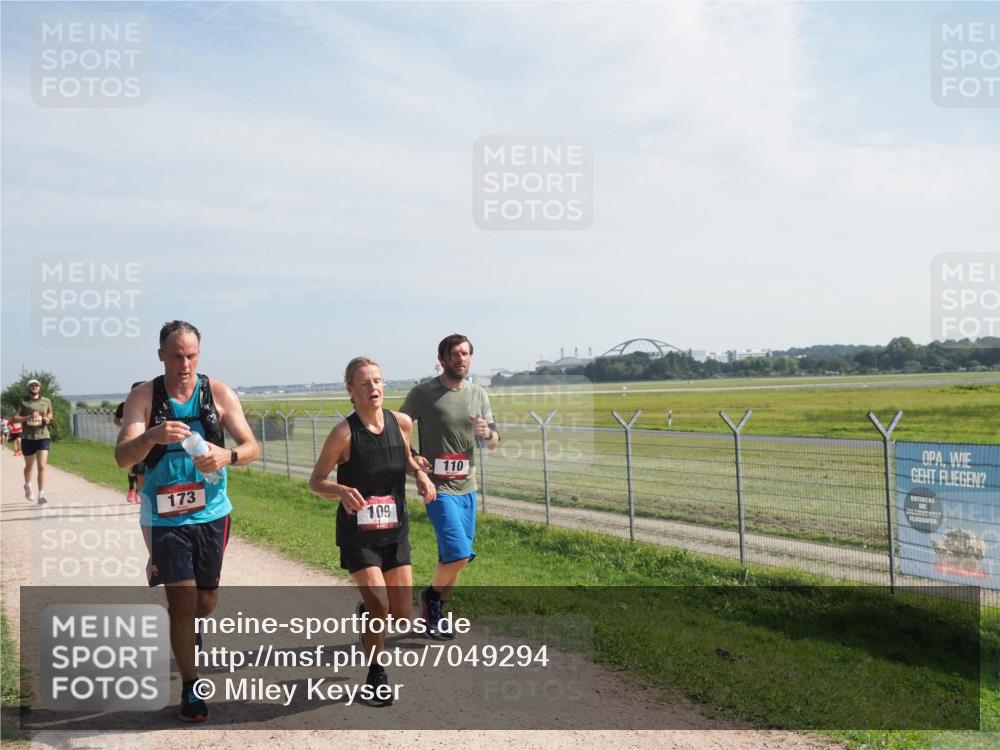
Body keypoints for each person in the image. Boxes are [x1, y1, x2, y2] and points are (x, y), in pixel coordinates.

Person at [115, 320, 259, 722]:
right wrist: (152, 436)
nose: (185, 364)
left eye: (192, 355)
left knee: (204, 602)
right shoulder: (144, 397)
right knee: (181, 601)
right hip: (163, 517)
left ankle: (190, 627)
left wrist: (227, 456)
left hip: (212, 512)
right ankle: (191, 687)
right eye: (177, 356)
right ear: (161, 355)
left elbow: (252, 446)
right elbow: (123, 457)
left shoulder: (219, 393)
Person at [309, 356, 435, 704]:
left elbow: (405, 458)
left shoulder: (401, 422)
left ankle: (367, 614)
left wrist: (420, 474)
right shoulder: (343, 434)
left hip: (394, 530)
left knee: (401, 615)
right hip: (358, 535)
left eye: (377, 380)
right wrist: (339, 490)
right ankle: (376, 674)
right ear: (351, 390)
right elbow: (316, 480)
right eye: (364, 383)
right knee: (381, 604)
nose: (373, 387)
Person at [400, 334, 500, 639]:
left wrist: (486, 433)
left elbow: (494, 441)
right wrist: (414, 459)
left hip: (468, 487)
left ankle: (437, 611)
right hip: (438, 487)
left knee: (455, 558)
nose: (461, 359)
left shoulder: (478, 394)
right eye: (455, 354)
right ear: (442, 359)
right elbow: (400, 428)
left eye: (465, 354)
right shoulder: (423, 393)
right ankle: (430, 597)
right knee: (458, 553)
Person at [14, 379, 54, 504]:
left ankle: (41, 494)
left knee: (42, 466)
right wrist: (28, 417)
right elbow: (15, 418)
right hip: (28, 437)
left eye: (36, 385)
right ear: (28, 388)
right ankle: (27, 486)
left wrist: (47, 419)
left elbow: (50, 413)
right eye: (32, 385)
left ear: (39, 388)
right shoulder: (22, 401)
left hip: (43, 436)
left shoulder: (46, 401)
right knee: (29, 465)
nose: (34, 387)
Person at [114, 381, 146, 504]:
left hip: (145, 439)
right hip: (130, 439)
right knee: (132, 466)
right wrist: (125, 427)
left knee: (142, 467)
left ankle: (139, 492)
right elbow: (116, 420)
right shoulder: (124, 405)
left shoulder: (149, 403)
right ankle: (132, 488)